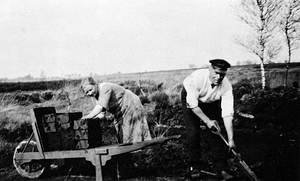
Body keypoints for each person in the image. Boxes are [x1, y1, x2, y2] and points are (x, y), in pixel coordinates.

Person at [181, 59, 235, 178]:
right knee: (193, 132)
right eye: (216, 73)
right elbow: (194, 106)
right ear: (209, 69)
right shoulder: (196, 79)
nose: (219, 77)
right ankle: (194, 166)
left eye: (222, 74)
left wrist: (231, 139)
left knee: (216, 130)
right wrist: (207, 121)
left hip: (210, 101)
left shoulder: (226, 86)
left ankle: (221, 168)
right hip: (191, 99)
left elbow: (227, 114)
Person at [80, 77, 152, 143]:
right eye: (87, 92)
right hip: (120, 110)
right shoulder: (95, 96)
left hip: (130, 103)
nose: (90, 93)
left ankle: (137, 151)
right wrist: (92, 120)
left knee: (133, 130)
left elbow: (99, 108)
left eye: (90, 89)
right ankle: (128, 150)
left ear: (95, 84)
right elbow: (101, 113)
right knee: (121, 132)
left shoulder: (105, 88)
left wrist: (87, 117)